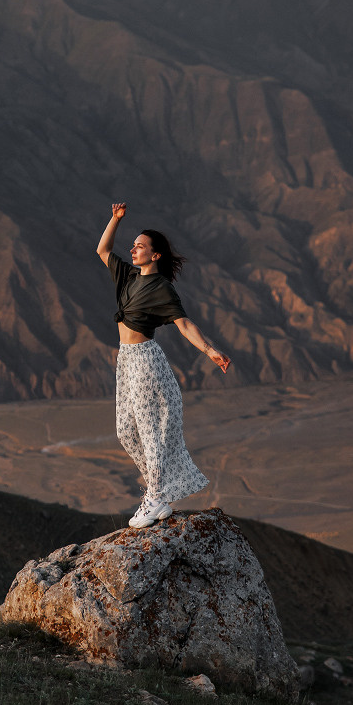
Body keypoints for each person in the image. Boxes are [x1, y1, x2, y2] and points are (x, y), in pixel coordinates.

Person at [97, 203, 231, 529]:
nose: (134, 249)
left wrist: (210, 350)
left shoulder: (162, 289)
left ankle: (156, 497)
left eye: (140, 246)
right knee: (125, 432)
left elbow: (184, 324)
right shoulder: (128, 275)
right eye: (135, 245)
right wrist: (114, 219)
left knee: (150, 432)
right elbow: (103, 249)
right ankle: (157, 489)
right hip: (125, 361)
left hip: (145, 361)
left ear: (155, 255)